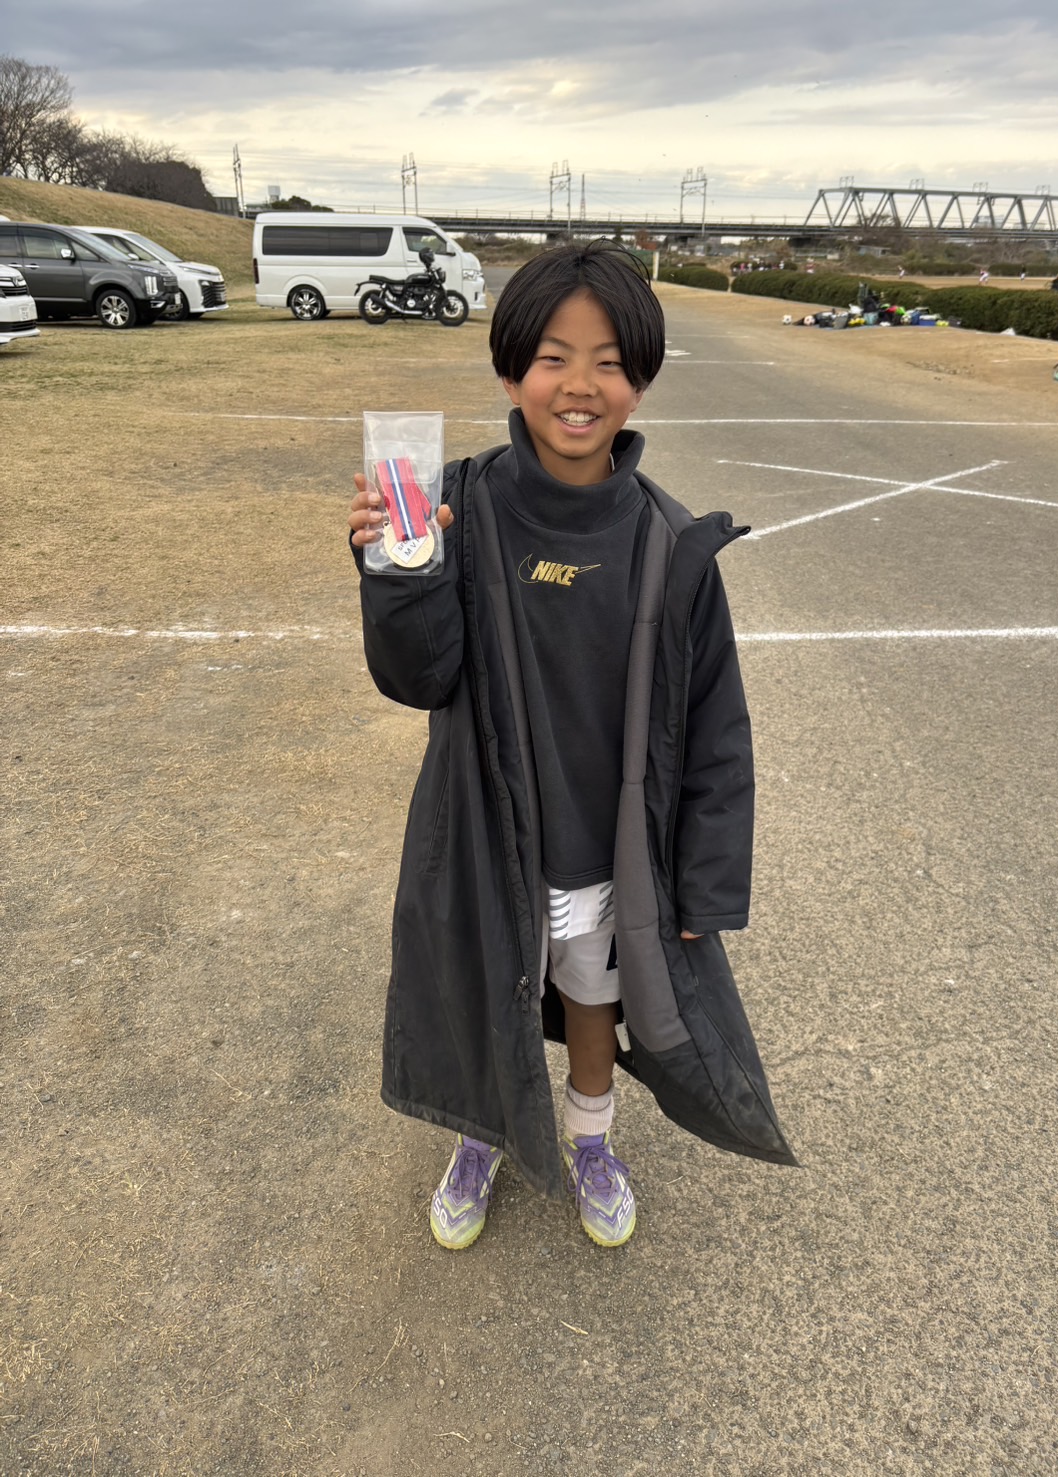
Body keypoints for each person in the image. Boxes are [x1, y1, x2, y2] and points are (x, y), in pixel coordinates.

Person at [347, 241, 793, 1252]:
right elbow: (417, 678)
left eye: (609, 361)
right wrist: (397, 572)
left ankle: (591, 1141)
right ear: (511, 372)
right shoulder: (450, 507)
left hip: (605, 855)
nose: (581, 384)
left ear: (642, 380)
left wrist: (705, 886)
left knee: (595, 999)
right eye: (553, 356)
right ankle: (483, 1135)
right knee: (480, 999)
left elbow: (718, 732)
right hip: (485, 840)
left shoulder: (670, 545)